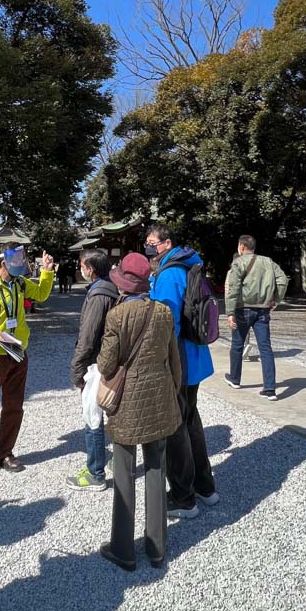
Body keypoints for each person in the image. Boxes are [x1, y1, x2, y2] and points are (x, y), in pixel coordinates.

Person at [96, 252, 182, 571]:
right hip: (159, 395)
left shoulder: (117, 316)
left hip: (128, 400)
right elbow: (174, 360)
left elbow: (105, 365)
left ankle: (123, 548)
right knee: (156, 467)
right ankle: (157, 547)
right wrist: (173, 392)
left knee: (124, 470)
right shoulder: (162, 312)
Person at [145, 224, 217, 520]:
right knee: (191, 421)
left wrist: (158, 359)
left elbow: (166, 320)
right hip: (196, 355)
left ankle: (183, 497)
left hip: (179, 359)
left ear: (167, 243)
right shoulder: (190, 265)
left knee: (176, 427)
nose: (148, 248)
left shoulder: (170, 272)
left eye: (152, 243)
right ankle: (205, 486)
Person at [0, 246, 54, 478]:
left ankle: (4, 453)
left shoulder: (21, 284)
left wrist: (47, 272)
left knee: (14, 406)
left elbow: (42, 294)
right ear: (2, 263)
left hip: (18, 353)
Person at [67, 248, 118, 492]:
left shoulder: (98, 294)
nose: (81, 270)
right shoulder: (112, 288)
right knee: (112, 414)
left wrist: (77, 369)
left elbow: (87, 338)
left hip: (97, 363)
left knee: (93, 417)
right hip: (112, 361)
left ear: (91, 269)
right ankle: (117, 461)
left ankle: (95, 472)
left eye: (82, 266)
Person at [224, 234, 289, 399]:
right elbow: (282, 279)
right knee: (265, 347)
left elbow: (234, 289)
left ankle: (235, 378)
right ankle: (270, 388)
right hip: (263, 309)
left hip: (243, 308)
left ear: (242, 246)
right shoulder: (268, 261)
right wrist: (276, 298)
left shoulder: (238, 262)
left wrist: (230, 312)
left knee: (237, 345)